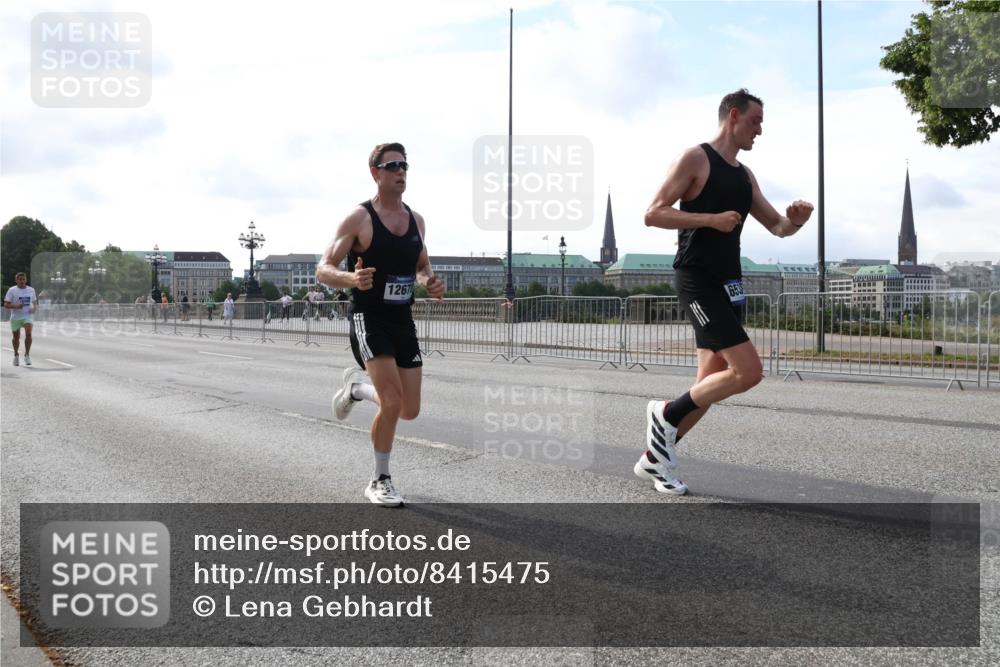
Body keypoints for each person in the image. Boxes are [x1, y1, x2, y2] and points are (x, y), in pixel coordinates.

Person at [636, 89, 814, 495]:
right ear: (734, 116)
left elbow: (778, 228)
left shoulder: (745, 175)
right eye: (756, 121)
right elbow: (653, 213)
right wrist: (710, 219)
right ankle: (665, 413)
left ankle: (654, 458)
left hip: (731, 284)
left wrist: (796, 221)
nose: (760, 130)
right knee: (748, 372)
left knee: (709, 383)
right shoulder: (695, 158)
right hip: (697, 280)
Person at [317, 142, 445, 506]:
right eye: (393, 166)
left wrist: (430, 282)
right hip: (369, 318)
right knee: (391, 401)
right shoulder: (359, 219)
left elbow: (421, 265)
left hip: (402, 318)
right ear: (376, 173)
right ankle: (380, 479)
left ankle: (357, 390)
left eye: (405, 165)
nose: (401, 171)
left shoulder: (416, 220)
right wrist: (351, 280)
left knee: (408, 409)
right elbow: (323, 268)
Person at [4, 272, 37, 366]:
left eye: (23, 279)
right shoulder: (12, 290)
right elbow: (6, 304)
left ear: (26, 280)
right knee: (16, 338)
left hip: (27, 315)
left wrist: (34, 309)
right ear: (16, 280)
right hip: (16, 317)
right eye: (20, 279)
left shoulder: (31, 290)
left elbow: (34, 302)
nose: (22, 281)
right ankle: (16, 355)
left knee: (29, 334)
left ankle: (27, 355)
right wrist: (16, 306)